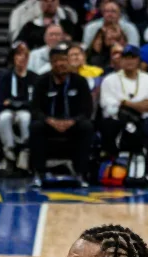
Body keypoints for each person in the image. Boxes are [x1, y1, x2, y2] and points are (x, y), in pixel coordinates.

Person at [28, 42, 91, 187]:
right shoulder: (41, 81)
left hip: (73, 124)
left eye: (64, 59)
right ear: (51, 62)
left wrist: (72, 121)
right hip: (49, 124)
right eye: (57, 60)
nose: (61, 63)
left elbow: (87, 110)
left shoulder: (80, 82)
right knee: (36, 127)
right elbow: (35, 110)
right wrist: (50, 121)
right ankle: (39, 173)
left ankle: (81, 173)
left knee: (86, 126)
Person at [98, 45, 148, 182]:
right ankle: (113, 167)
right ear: (120, 60)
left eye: (133, 58)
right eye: (126, 58)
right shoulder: (109, 80)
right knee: (109, 124)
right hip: (118, 120)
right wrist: (138, 105)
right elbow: (109, 107)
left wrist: (124, 102)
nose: (129, 61)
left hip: (143, 120)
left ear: (139, 60)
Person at [0, 43, 34, 170]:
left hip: (25, 111)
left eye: (25, 56)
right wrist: (13, 104)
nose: (22, 58)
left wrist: (15, 103)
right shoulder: (5, 76)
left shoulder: (33, 77)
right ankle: (9, 150)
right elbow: (2, 101)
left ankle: (25, 150)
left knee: (25, 118)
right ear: (13, 58)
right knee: (4, 118)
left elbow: (32, 102)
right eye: (19, 55)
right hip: (8, 110)